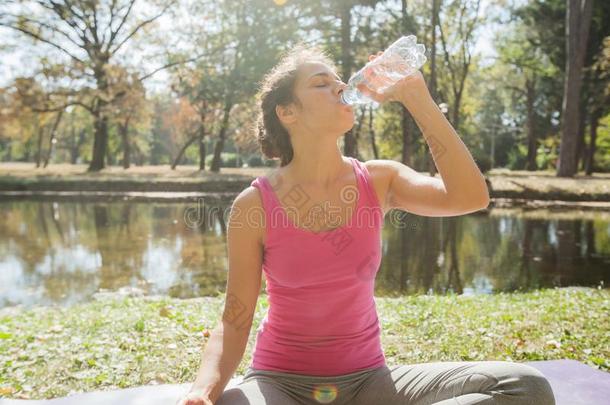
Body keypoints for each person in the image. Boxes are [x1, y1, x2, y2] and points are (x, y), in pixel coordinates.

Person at [176, 43, 556, 405]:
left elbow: (470, 196)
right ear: (287, 111)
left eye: (339, 81)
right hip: (280, 384)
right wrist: (204, 391)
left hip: (368, 383)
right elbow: (234, 319)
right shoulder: (255, 205)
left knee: (523, 387)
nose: (341, 87)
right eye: (321, 84)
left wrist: (417, 99)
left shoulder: (379, 180)